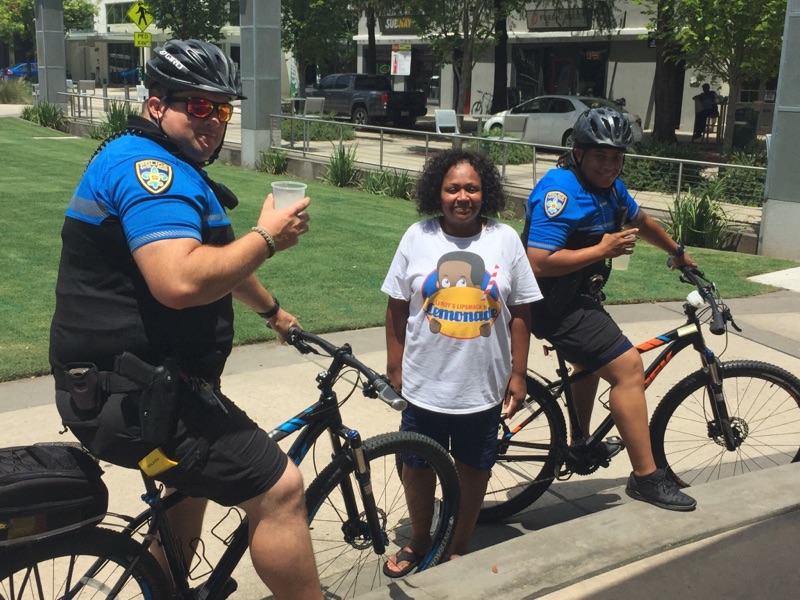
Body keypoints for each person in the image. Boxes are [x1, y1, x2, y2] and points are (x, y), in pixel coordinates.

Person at [49, 39, 322, 599]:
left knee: (188, 491)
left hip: (123, 387)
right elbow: (180, 280)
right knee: (281, 491)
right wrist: (267, 237)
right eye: (196, 106)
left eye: (221, 109)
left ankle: (167, 589)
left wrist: (273, 312)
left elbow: (216, 262)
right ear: (156, 106)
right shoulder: (153, 171)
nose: (213, 120)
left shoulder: (157, 160)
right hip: (136, 398)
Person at [522, 107, 697, 511]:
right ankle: (646, 478)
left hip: (576, 296)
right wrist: (600, 250)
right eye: (600, 155)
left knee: (591, 363)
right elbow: (537, 262)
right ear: (578, 153)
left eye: (617, 157)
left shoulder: (610, 188)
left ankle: (581, 440)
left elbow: (641, 220)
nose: (609, 164)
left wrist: (678, 252)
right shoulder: (561, 191)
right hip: (552, 303)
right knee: (628, 369)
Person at [382, 149, 542, 575]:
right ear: (438, 191)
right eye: (453, 188)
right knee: (416, 466)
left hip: (481, 389)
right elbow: (397, 305)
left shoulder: (505, 239)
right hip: (423, 386)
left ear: (484, 192)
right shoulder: (418, 236)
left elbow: (522, 310)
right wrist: (395, 366)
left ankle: (458, 546)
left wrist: (519, 372)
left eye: (471, 187)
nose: (462, 196)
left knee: (474, 469)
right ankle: (419, 540)